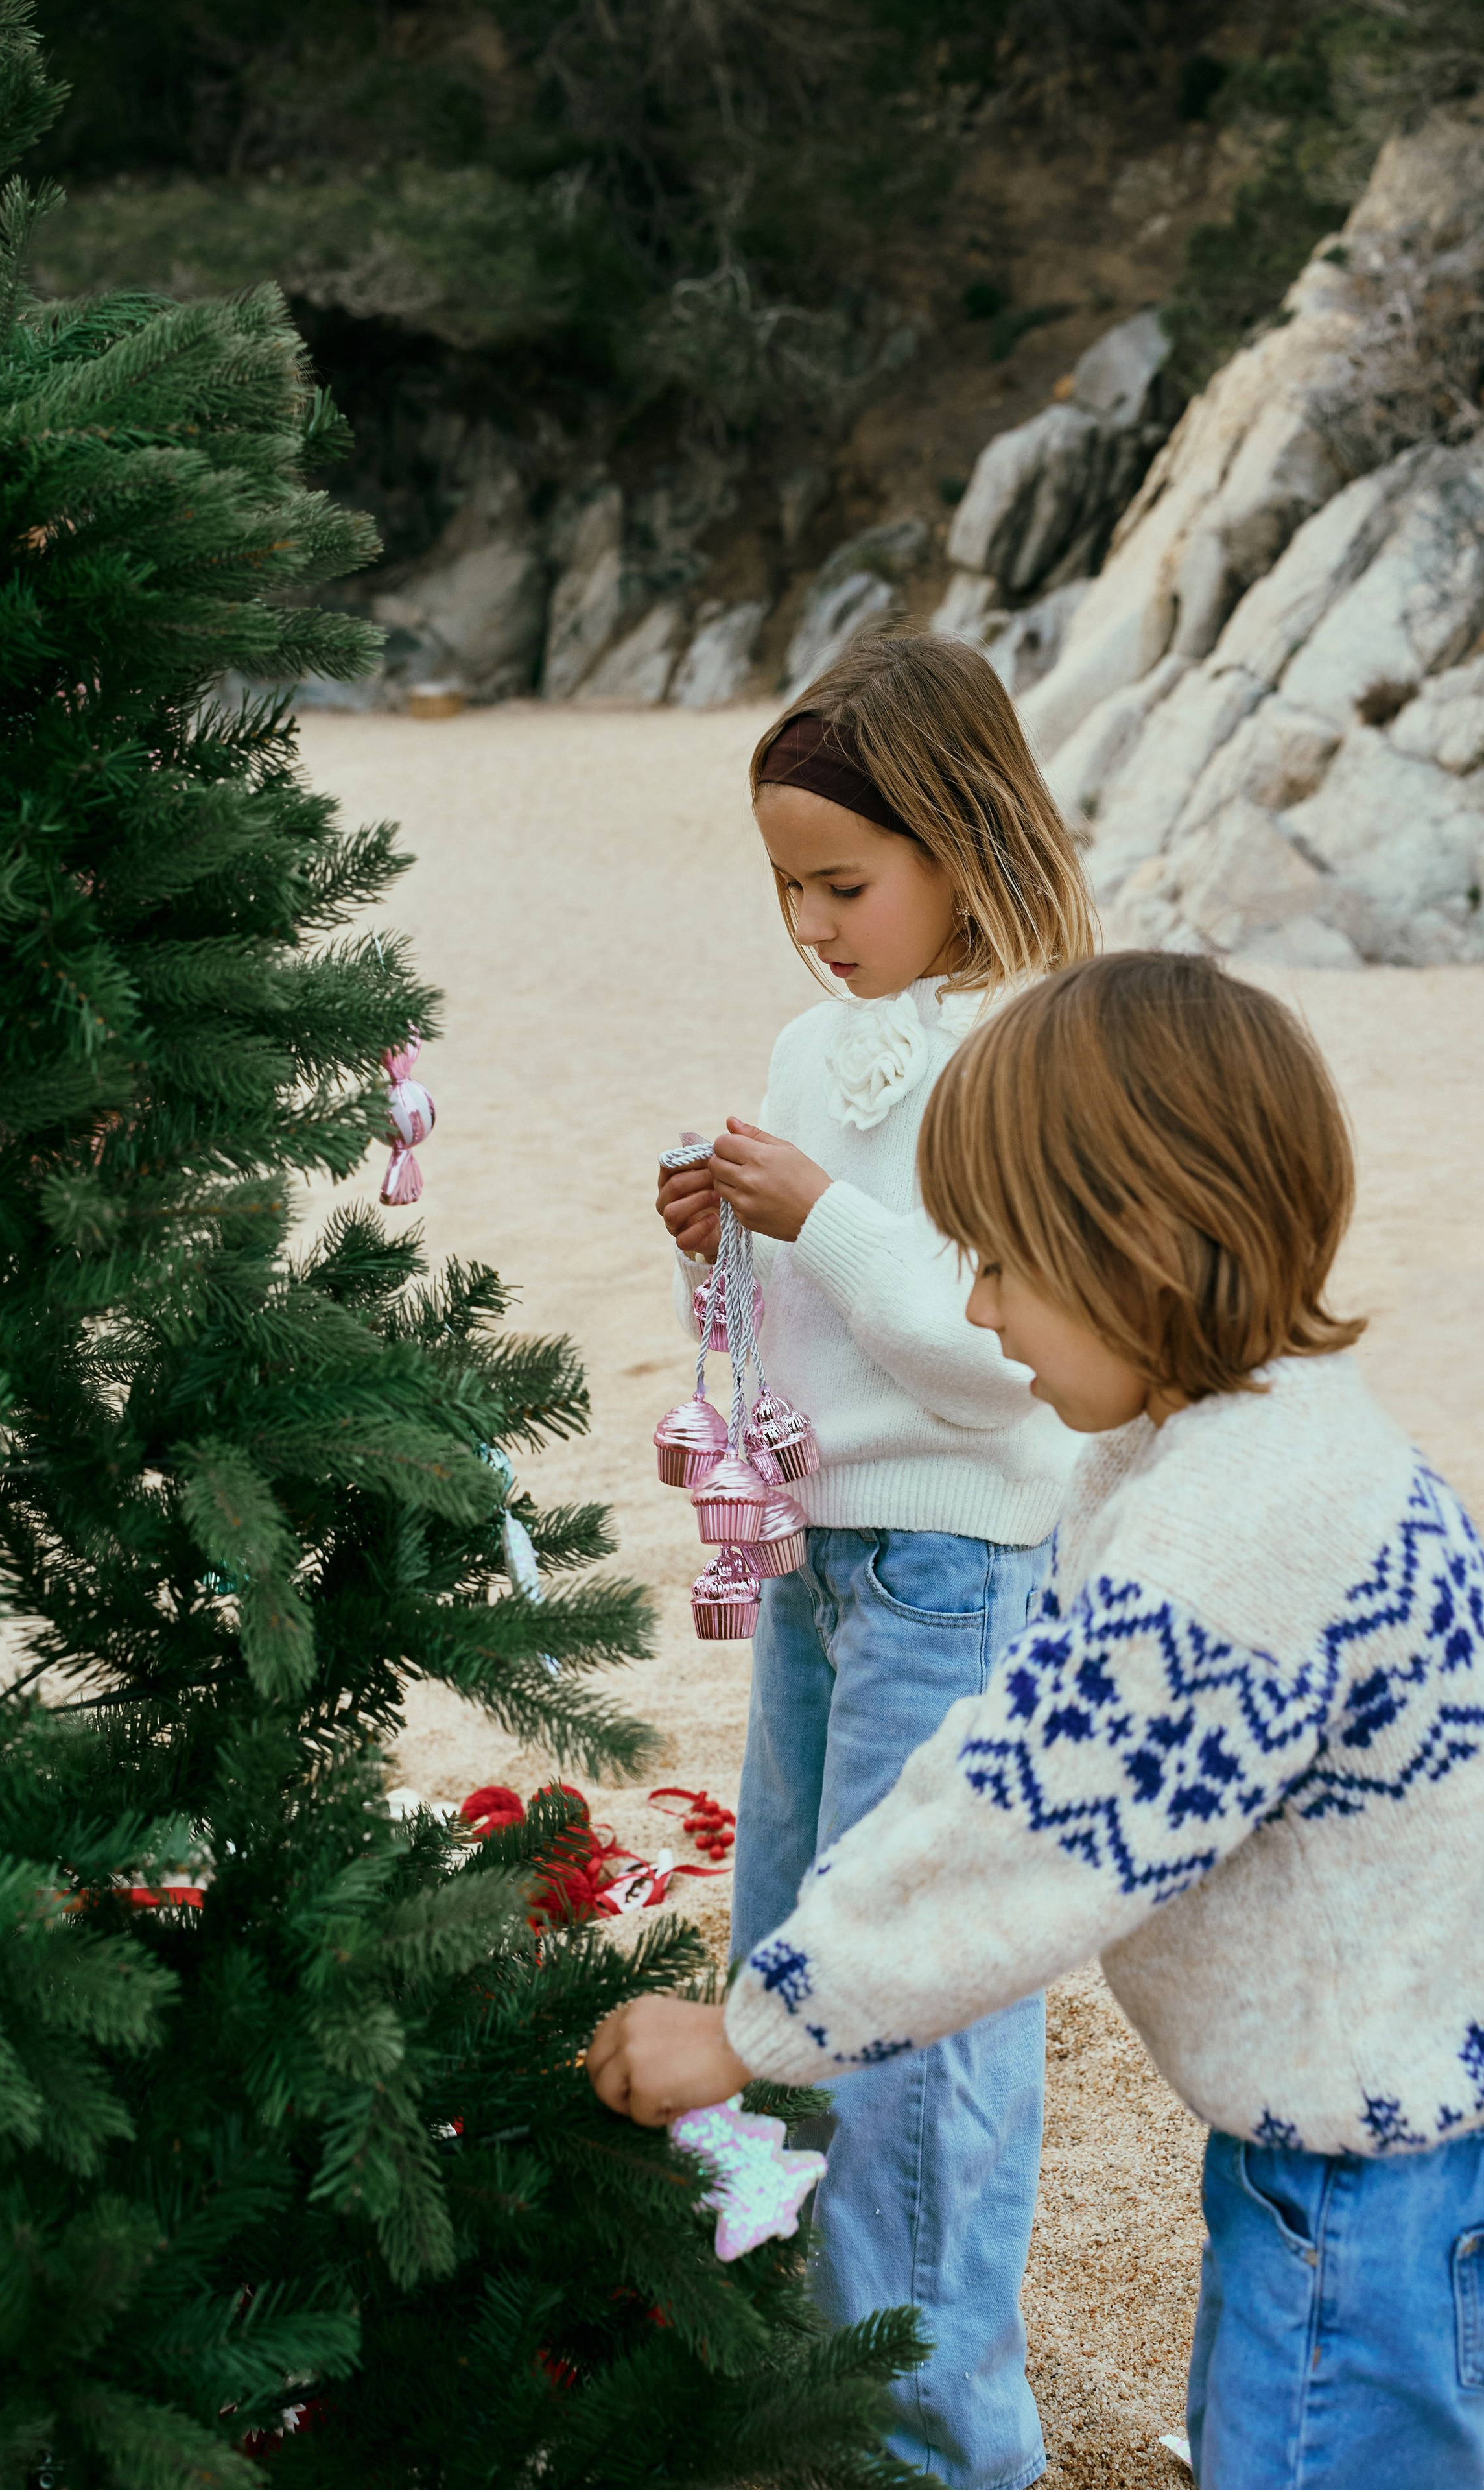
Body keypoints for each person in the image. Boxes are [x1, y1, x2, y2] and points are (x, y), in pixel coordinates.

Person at [615, 951, 1484, 2490]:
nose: (982, 1307)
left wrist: (754, 2031)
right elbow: (1022, 1735)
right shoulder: (1245, 1439)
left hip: (1386, 2173)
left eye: (1002, 1263)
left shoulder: (1233, 1533)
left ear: (1140, 1245)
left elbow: (1021, 1827)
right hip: (1426, 2110)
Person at [654, 632, 1095, 2490]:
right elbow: (817, 1323)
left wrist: (820, 1214)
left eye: (848, 884)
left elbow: (1004, 1370)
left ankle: (933, 2449)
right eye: (787, 890)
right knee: (783, 1964)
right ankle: (807, 2397)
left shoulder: (1031, 1044)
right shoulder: (814, 1044)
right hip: (825, 1564)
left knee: (914, 2015)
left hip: (958, 1571)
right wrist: (720, 1241)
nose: (815, 927)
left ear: (968, 843)